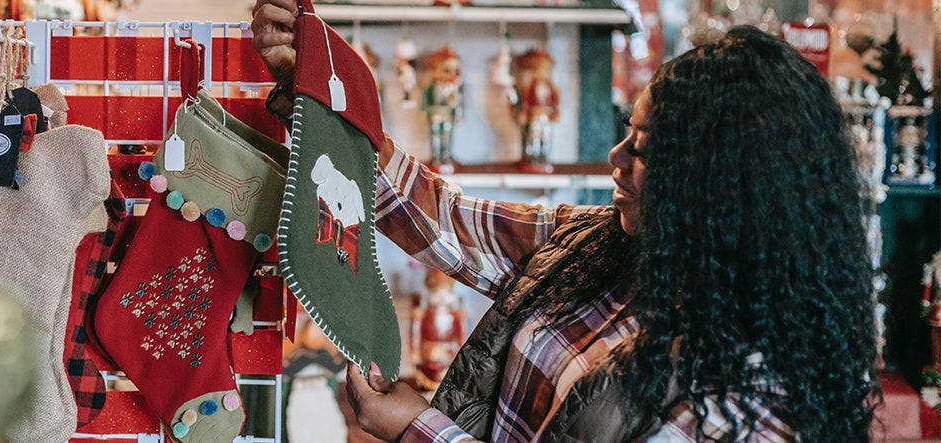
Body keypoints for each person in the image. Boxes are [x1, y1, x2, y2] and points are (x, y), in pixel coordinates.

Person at [252, 1, 880, 441]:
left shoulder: (749, 400)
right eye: (625, 134)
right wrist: (322, 94)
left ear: (727, 187)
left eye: (646, 149)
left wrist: (420, 430)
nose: (616, 159)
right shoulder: (604, 246)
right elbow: (448, 221)